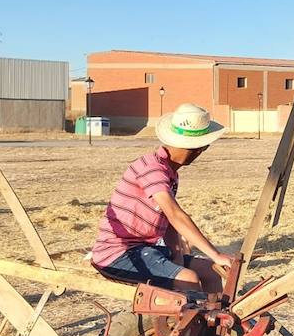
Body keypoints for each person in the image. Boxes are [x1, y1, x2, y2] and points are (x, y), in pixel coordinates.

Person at [91, 103, 233, 294]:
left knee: (210, 273)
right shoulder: (152, 169)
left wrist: (177, 256)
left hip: (145, 248)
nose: (201, 152)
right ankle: (188, 323)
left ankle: (217, 322)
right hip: (118, 254)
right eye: (200, 147)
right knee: (188, 279)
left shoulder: (170, 172)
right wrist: (215, 254)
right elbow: (175, 215)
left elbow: (168, 220)